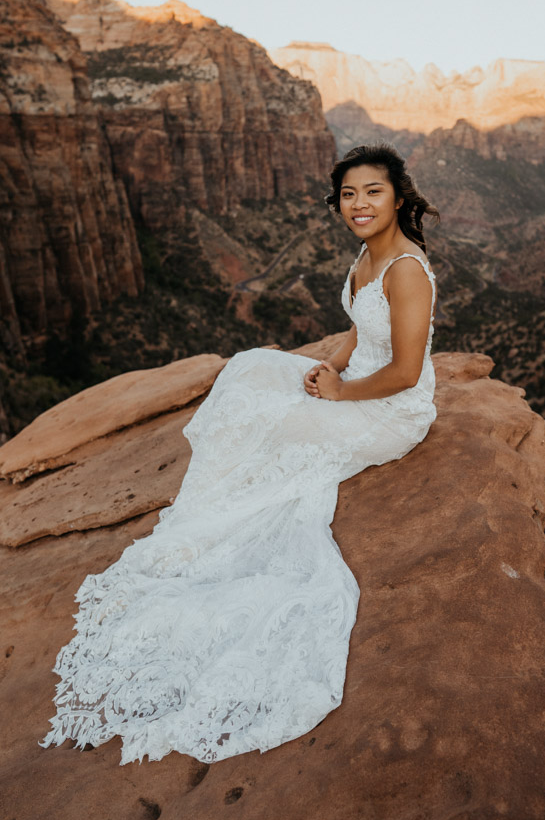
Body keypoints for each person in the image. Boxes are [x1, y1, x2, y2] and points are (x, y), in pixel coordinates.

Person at [40, 142, 440, 765]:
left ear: (398, 198)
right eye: (349, 195)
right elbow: (362, 332)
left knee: (274, 428)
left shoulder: (407, 270)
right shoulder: (368, 256)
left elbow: (409, 372)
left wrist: (340, 393)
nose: (359, 204)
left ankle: (218, 522)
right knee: (252, 370)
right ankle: (220, 496)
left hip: (390, 409)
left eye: (373, 192)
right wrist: (326, 366)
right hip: (355, 380)